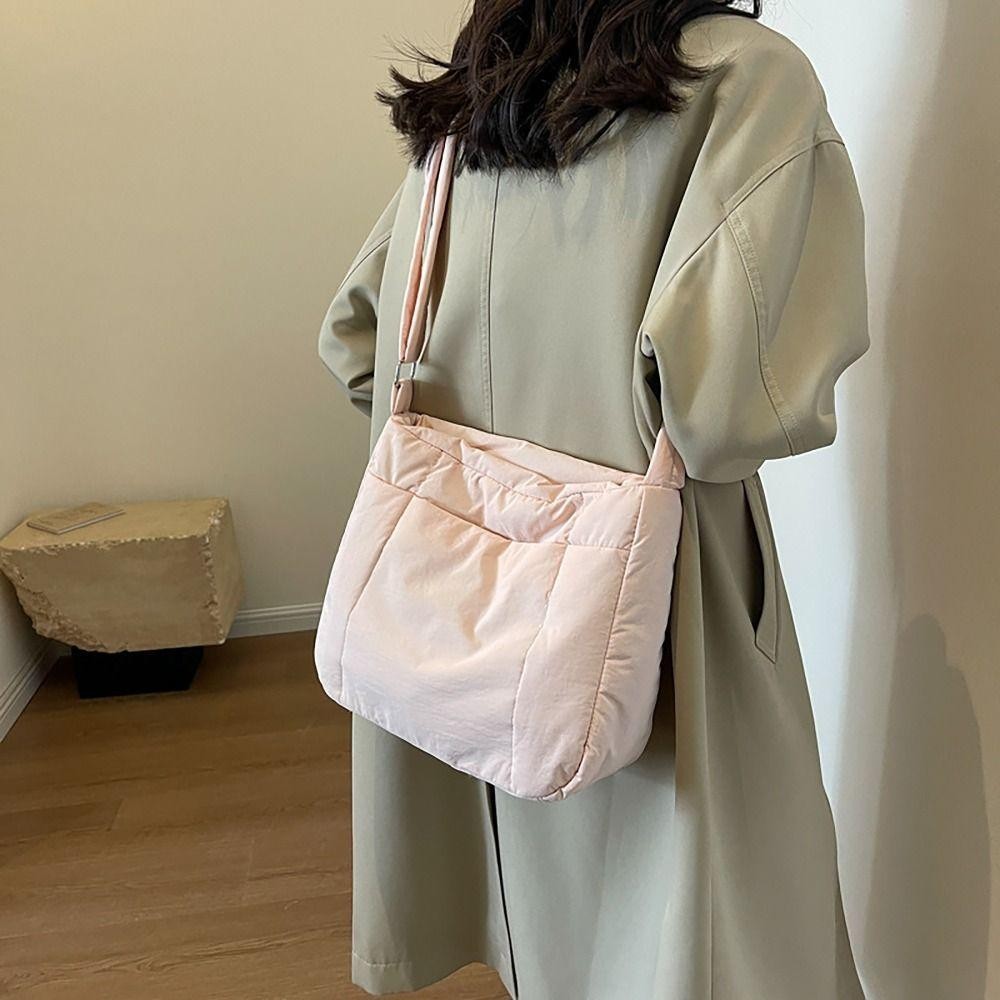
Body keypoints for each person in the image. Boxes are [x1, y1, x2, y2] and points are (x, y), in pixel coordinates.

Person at [318, 2, 869, 997]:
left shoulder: (479, 95)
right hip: (662, 605)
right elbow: (720, 408)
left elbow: (357, 339)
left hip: (458, 609)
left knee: (545, 923)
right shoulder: (746, 81)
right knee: (696, 927)